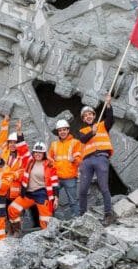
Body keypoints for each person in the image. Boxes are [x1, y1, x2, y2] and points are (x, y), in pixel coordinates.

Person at [77, 96, 115, 225]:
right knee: (82, 189)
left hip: (101, 158)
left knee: (104, 187)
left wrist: (108, 105)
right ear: (83, 119)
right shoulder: (82, 131)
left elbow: (110, 119)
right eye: (85, 115)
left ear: (94, 115)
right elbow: (83, 140)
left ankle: (108, 215)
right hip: (87, 161)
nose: (88, 116)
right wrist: (91, 133)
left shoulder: (102, 125)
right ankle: (82, 215)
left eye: (90, 114)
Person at [8, 142, 58, 234]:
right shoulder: (30, 161)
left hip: (42, 194)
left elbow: (55, 183)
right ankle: (17, 231)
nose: (37, 154)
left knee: (45, 220)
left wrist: (56, 198)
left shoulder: (50, 165)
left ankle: (47, 240)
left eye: (40, 152)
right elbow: (23, 149)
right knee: (12, 209)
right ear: (33, 153)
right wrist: (19, 132)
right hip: (29, 194)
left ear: (44, 154)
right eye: (36, 152)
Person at [49, 119, 82, 220]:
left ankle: (77, 221)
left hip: (70, 177)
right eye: (60, 130)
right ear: (58, 132)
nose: (62, 132)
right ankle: (50, 221)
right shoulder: (54, 145)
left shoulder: (75, 143)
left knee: (73, 201)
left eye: (64, 129)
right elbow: (49, 160)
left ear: (68, 130)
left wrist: (74, 160)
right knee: (51, 199)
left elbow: (80, 159)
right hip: (57, 178)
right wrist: (53, 165)